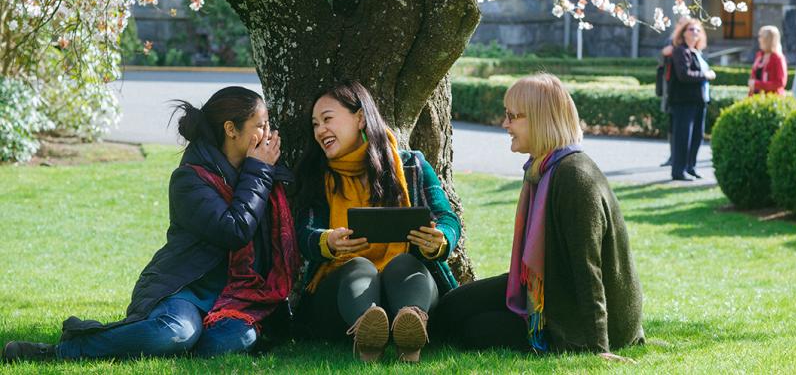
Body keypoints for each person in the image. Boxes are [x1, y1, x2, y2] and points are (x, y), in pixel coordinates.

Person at [2, 87, 298, 362]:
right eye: (260, 125)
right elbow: (234, 230)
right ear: (231, 129)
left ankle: (166, 341)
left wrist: (261, 173)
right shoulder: (190, 179)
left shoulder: (262, 175)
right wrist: (259, 171)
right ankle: (63, 350)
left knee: (233, 340)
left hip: (236, 295)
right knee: (175, 333)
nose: (268, 134)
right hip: (184, 288)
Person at [429, 73, 644, 359]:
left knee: (474, 329)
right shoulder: (541, 169)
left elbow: (587, 266)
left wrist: (598, 348)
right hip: (551, 288)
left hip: (583, 318)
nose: (505, 124)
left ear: (540, 119)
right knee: (451, 307)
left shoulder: (574, 176)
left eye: (512, 116)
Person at [293, 82, 461, 363]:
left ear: (360, 118)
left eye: (327, 119)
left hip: (405, 284)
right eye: (315, 124)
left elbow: (447, 219)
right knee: (358, 266)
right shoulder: (317, 175)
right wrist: (327, 241)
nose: (320, 130)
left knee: (405, 263)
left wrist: (440, 239)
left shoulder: (412, 166)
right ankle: (368, 331)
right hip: (341, 299)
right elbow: (304, 232)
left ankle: (410, 328)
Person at [668, 19, 716, 181]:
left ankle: (690, 167)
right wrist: (706, 75)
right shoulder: (680, 51)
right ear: (683, 33)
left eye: (697, 30)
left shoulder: (696, 52)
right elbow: (684, 75)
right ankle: (679, 170)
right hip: (684, 101)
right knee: (683, 137)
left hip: (699, 101)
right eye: (691, 29)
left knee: (696, 136)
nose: (695, 32)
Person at [657, 17, 692, 167]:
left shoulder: (690, 43)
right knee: (672, 124)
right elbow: (660, 62)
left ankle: (680, 159)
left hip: (681, 89)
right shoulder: (670, 41)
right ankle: (673, 156)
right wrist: (663, 54)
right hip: (670, 87)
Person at [748, 25, 788, 96]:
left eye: (761, 36)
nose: (759, 39)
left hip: (772, 98)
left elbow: (780, 83)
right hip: (756, 97)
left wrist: (758, 84)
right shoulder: (759, 56)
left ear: (769, 40)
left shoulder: (778, 58)